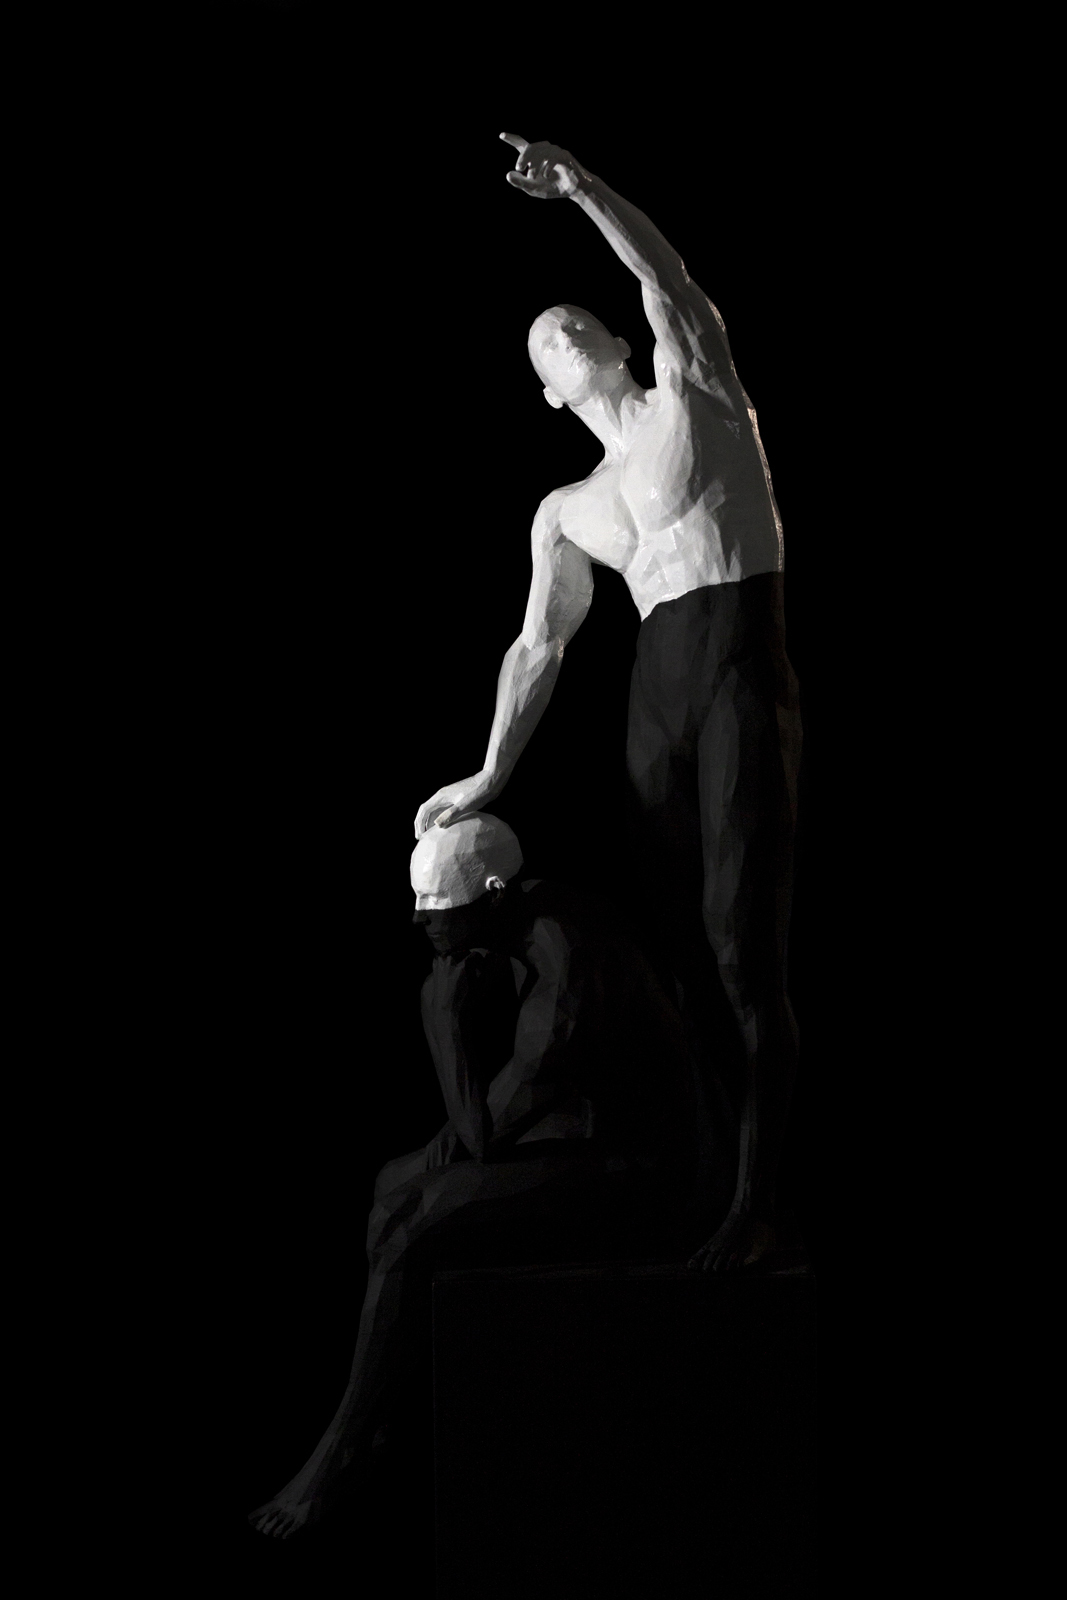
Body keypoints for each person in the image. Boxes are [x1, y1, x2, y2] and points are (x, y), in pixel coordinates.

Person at [415, 136, 802, 1275]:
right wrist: (489, 772)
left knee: (742, 950)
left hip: (735, 657)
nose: (561, 331)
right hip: (653, 696)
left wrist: (580, 189)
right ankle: (690, 1184)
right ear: (547, 389)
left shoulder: (695, 389)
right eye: (544, 340)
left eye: (575, 320)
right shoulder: (566, 509)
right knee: (673, 954)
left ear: (618, 342)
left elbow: (664, 276)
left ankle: (759, 1202)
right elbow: (537, 644)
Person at [249, 813, 715, 1541]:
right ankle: (381, 1410)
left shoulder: (567, 975)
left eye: (438, 905)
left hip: (642, 1176)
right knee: (392, 1184)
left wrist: (440, 1021)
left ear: (493, 895)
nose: (420, 919)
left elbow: (482, 1138)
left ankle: (339, 1450)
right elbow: (508, 1109)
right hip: (583, 1127)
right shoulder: (530, 909)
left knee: (409, 1217)